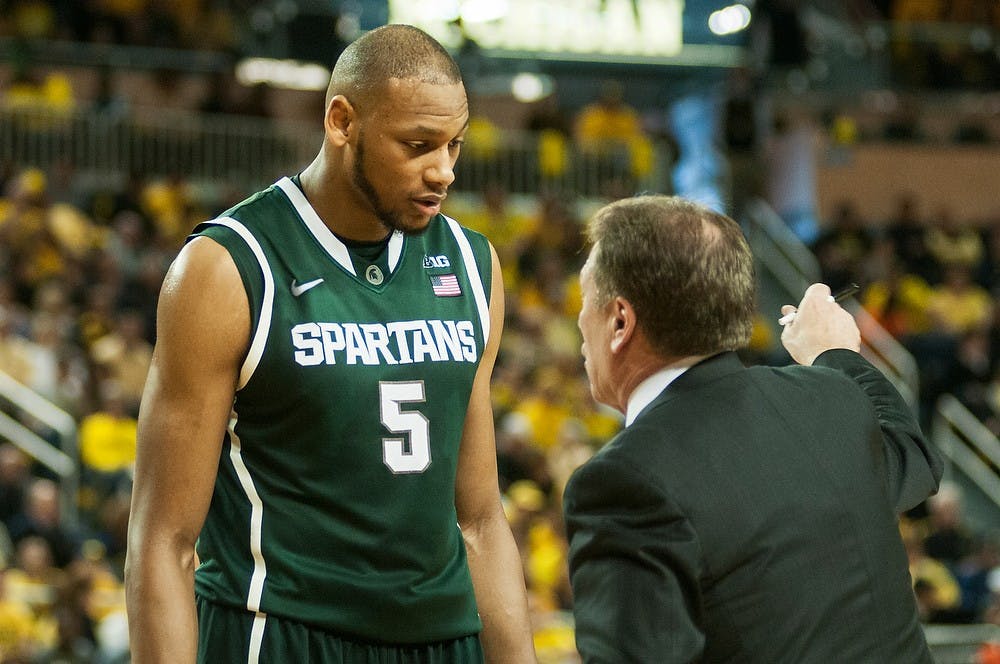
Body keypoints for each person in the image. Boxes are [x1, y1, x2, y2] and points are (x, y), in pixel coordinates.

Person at [125, 24, 536, 664]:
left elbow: (481, 522)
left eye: (454, 146)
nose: (444, 171)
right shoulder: (228, 266)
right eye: (418, 146)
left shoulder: (472, 264)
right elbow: (164, 540)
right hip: (281, 631)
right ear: (342, 121)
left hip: (444, 635)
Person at [562, 194, 943, 662]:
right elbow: (915, 455)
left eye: (585, 300)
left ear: (620, 320)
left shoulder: (623, 481)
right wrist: (837, 356)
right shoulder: (832, 399)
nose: (580, 320)